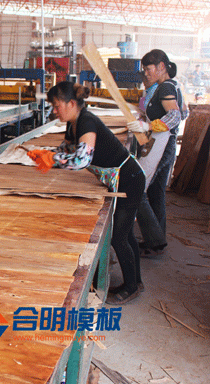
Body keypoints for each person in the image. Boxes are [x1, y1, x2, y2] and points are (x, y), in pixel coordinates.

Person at [29, 82, 145, 305]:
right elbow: (66, 149)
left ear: (71, 103)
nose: (54, 111)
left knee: (119, 237)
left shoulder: (87, 121)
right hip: (121, 178)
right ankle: (135, 282)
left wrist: (52, 160)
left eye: (56, 106)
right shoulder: (73, 124)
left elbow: (82, 160)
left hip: (130, 180)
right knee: (126, 234)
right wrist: (43, 154)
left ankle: (132, 287)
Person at [127, 50, 188, 257]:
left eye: (148, 68)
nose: (146, 73)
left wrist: (148, 125)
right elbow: (185, 111)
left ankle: (154, 239)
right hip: (166, 143)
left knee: (137, 187)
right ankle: (156, 242)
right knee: (156, 192)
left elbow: (175, 116)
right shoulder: (174, 85)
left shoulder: (165, 87)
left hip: (163, 145)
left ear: (161, 66)